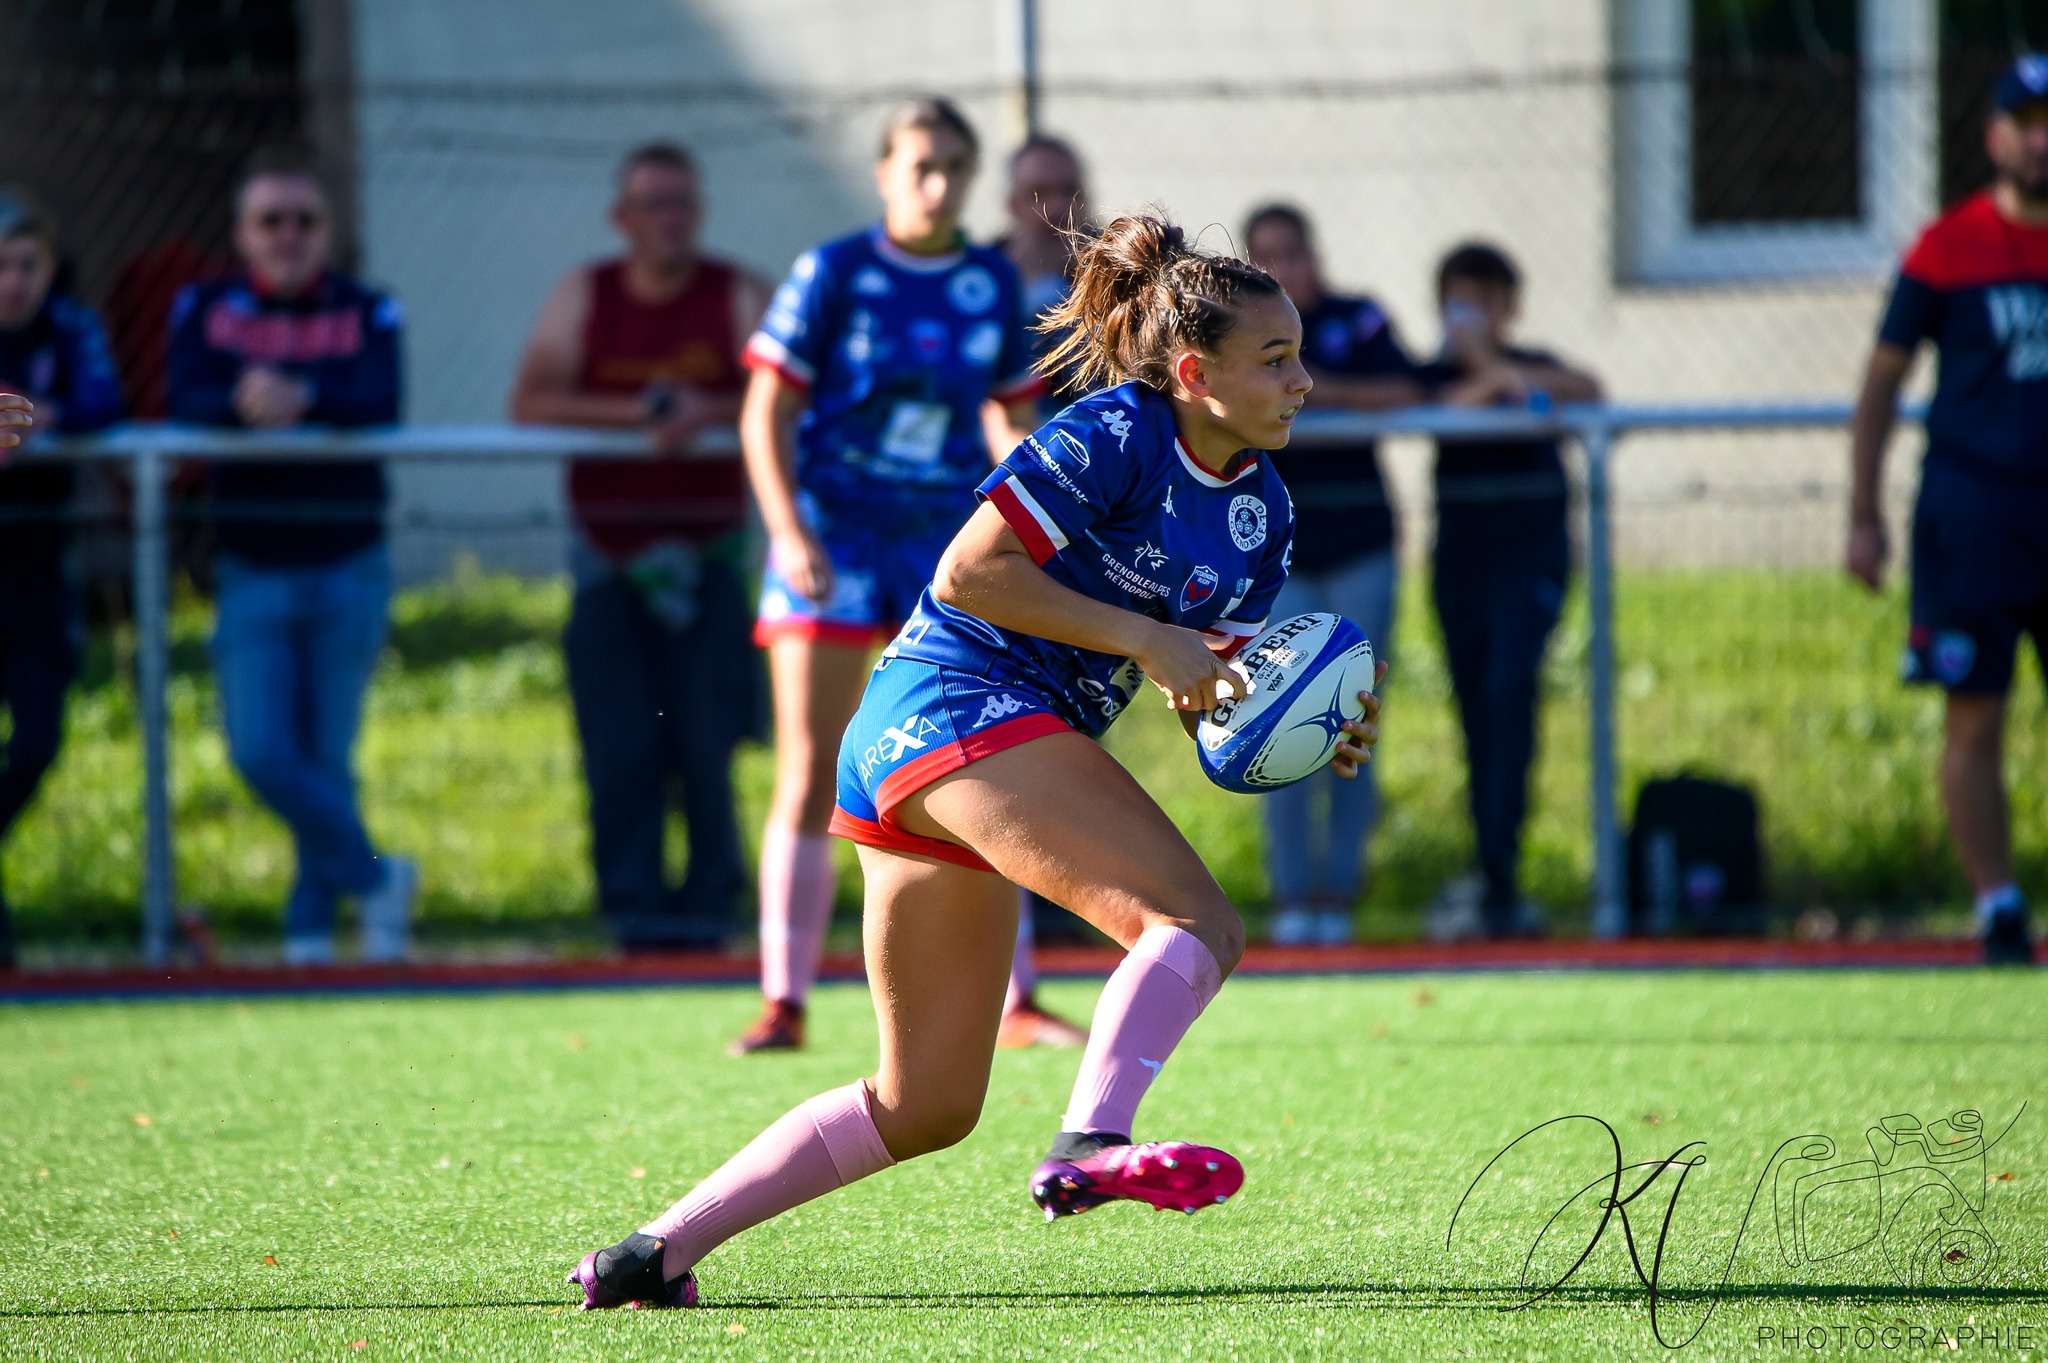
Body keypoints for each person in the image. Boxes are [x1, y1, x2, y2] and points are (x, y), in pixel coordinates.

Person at [568, 210, 1383, 1311]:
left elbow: (1202, 699)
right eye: (1275, 358)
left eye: (1296, 357)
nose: (1302, 381)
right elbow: (967, 576)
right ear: (1193, 372)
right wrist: (1148, 638)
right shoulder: (1114, 433)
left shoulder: (1263, 513)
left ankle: (651, 1250)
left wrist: (1290, 716)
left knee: (925, 1106)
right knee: (1195, 927)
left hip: (959, 751)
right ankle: (1091, 1141)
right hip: (955, 701)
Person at [731, 98, 1053, 1053]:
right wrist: (788, 531)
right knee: (808, 767)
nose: (939, 182)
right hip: (833, 539)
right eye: (921, 164)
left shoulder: (993, 281)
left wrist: (1034, 519)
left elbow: (1009, 416)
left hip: (942, 548)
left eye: (956, 164)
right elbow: (766, 414)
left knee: (984, 755)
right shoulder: (834, 271)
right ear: (884, 173)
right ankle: (784, 998)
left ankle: (1018, 999)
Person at [510, 143, 770, 953]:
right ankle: (632, 916)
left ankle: (709, 915)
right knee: (620, 744)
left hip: (711, 557)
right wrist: (644, 417)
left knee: (704, 741)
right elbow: (531, 401)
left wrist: (708, 411)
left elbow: (785, 396)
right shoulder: (583, 296)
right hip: (609, 559)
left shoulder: (736, 294)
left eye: (682, 203)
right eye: (653, 204)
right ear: (622, 218)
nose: (670, 219)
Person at [167, 147, 414, 967]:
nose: (288, 235)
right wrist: (245, 401)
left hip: (349, 560)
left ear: (328, 231)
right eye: (270, 220)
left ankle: (311, 930)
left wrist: (306, 397)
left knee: (324, 757)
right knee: (264, 751)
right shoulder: (202, 307)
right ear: (242, 233)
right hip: (251, 562)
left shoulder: (369, 306)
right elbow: (180, 398)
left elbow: (379, 396)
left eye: (304, 220)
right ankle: (379, 880)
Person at [1849, 56, 2048, 966]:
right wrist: (1863, 511)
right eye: (2027, 119)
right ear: (1995, 134)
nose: (2041, 138)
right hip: (1976, 520)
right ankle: (1998, 905)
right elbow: (1884, 379)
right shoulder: (1946, 246)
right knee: (1974, 714)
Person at [1243, 203, 1424, 946]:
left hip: (1361, 552)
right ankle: (1290, 900)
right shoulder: (1236, 336)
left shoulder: (1358, 320)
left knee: (1352, 724)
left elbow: (1408, 393)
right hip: (1276, 564)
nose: (1283, 267)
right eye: (1266, 256)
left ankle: (1338, 896)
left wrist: (1319, 386)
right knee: (1278, 728)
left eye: (1293, 251)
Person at [1416, 242, 1601, 941]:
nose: (1475, 316)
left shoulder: (1533, 362)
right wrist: (1486, 382)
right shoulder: (1429, 371)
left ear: (1510, 308)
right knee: (1473, 707)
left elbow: (1581, 388)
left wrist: (1495, 370)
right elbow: (1433, 406)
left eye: (1489, 302)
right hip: (1461, 559)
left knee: (1511, 689)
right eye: (1463, 301)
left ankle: (1505, 870)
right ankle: (1487, 866)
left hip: (1531, 557)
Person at [0, 193, 124, 968]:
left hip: (36, 573)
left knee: (40, 738)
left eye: (26, 266)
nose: (12, 282)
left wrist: (42, 415)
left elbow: (103, 401)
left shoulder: (71, 327)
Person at [992, 132, 1096, 1046]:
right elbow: (997, 400)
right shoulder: (982, 287)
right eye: (1036, 193)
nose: (1054, 210)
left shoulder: (1109, 298)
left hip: (1085, 557)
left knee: (1036, 749)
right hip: (989, 539)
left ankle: (1017, 993)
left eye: (1068, 190)